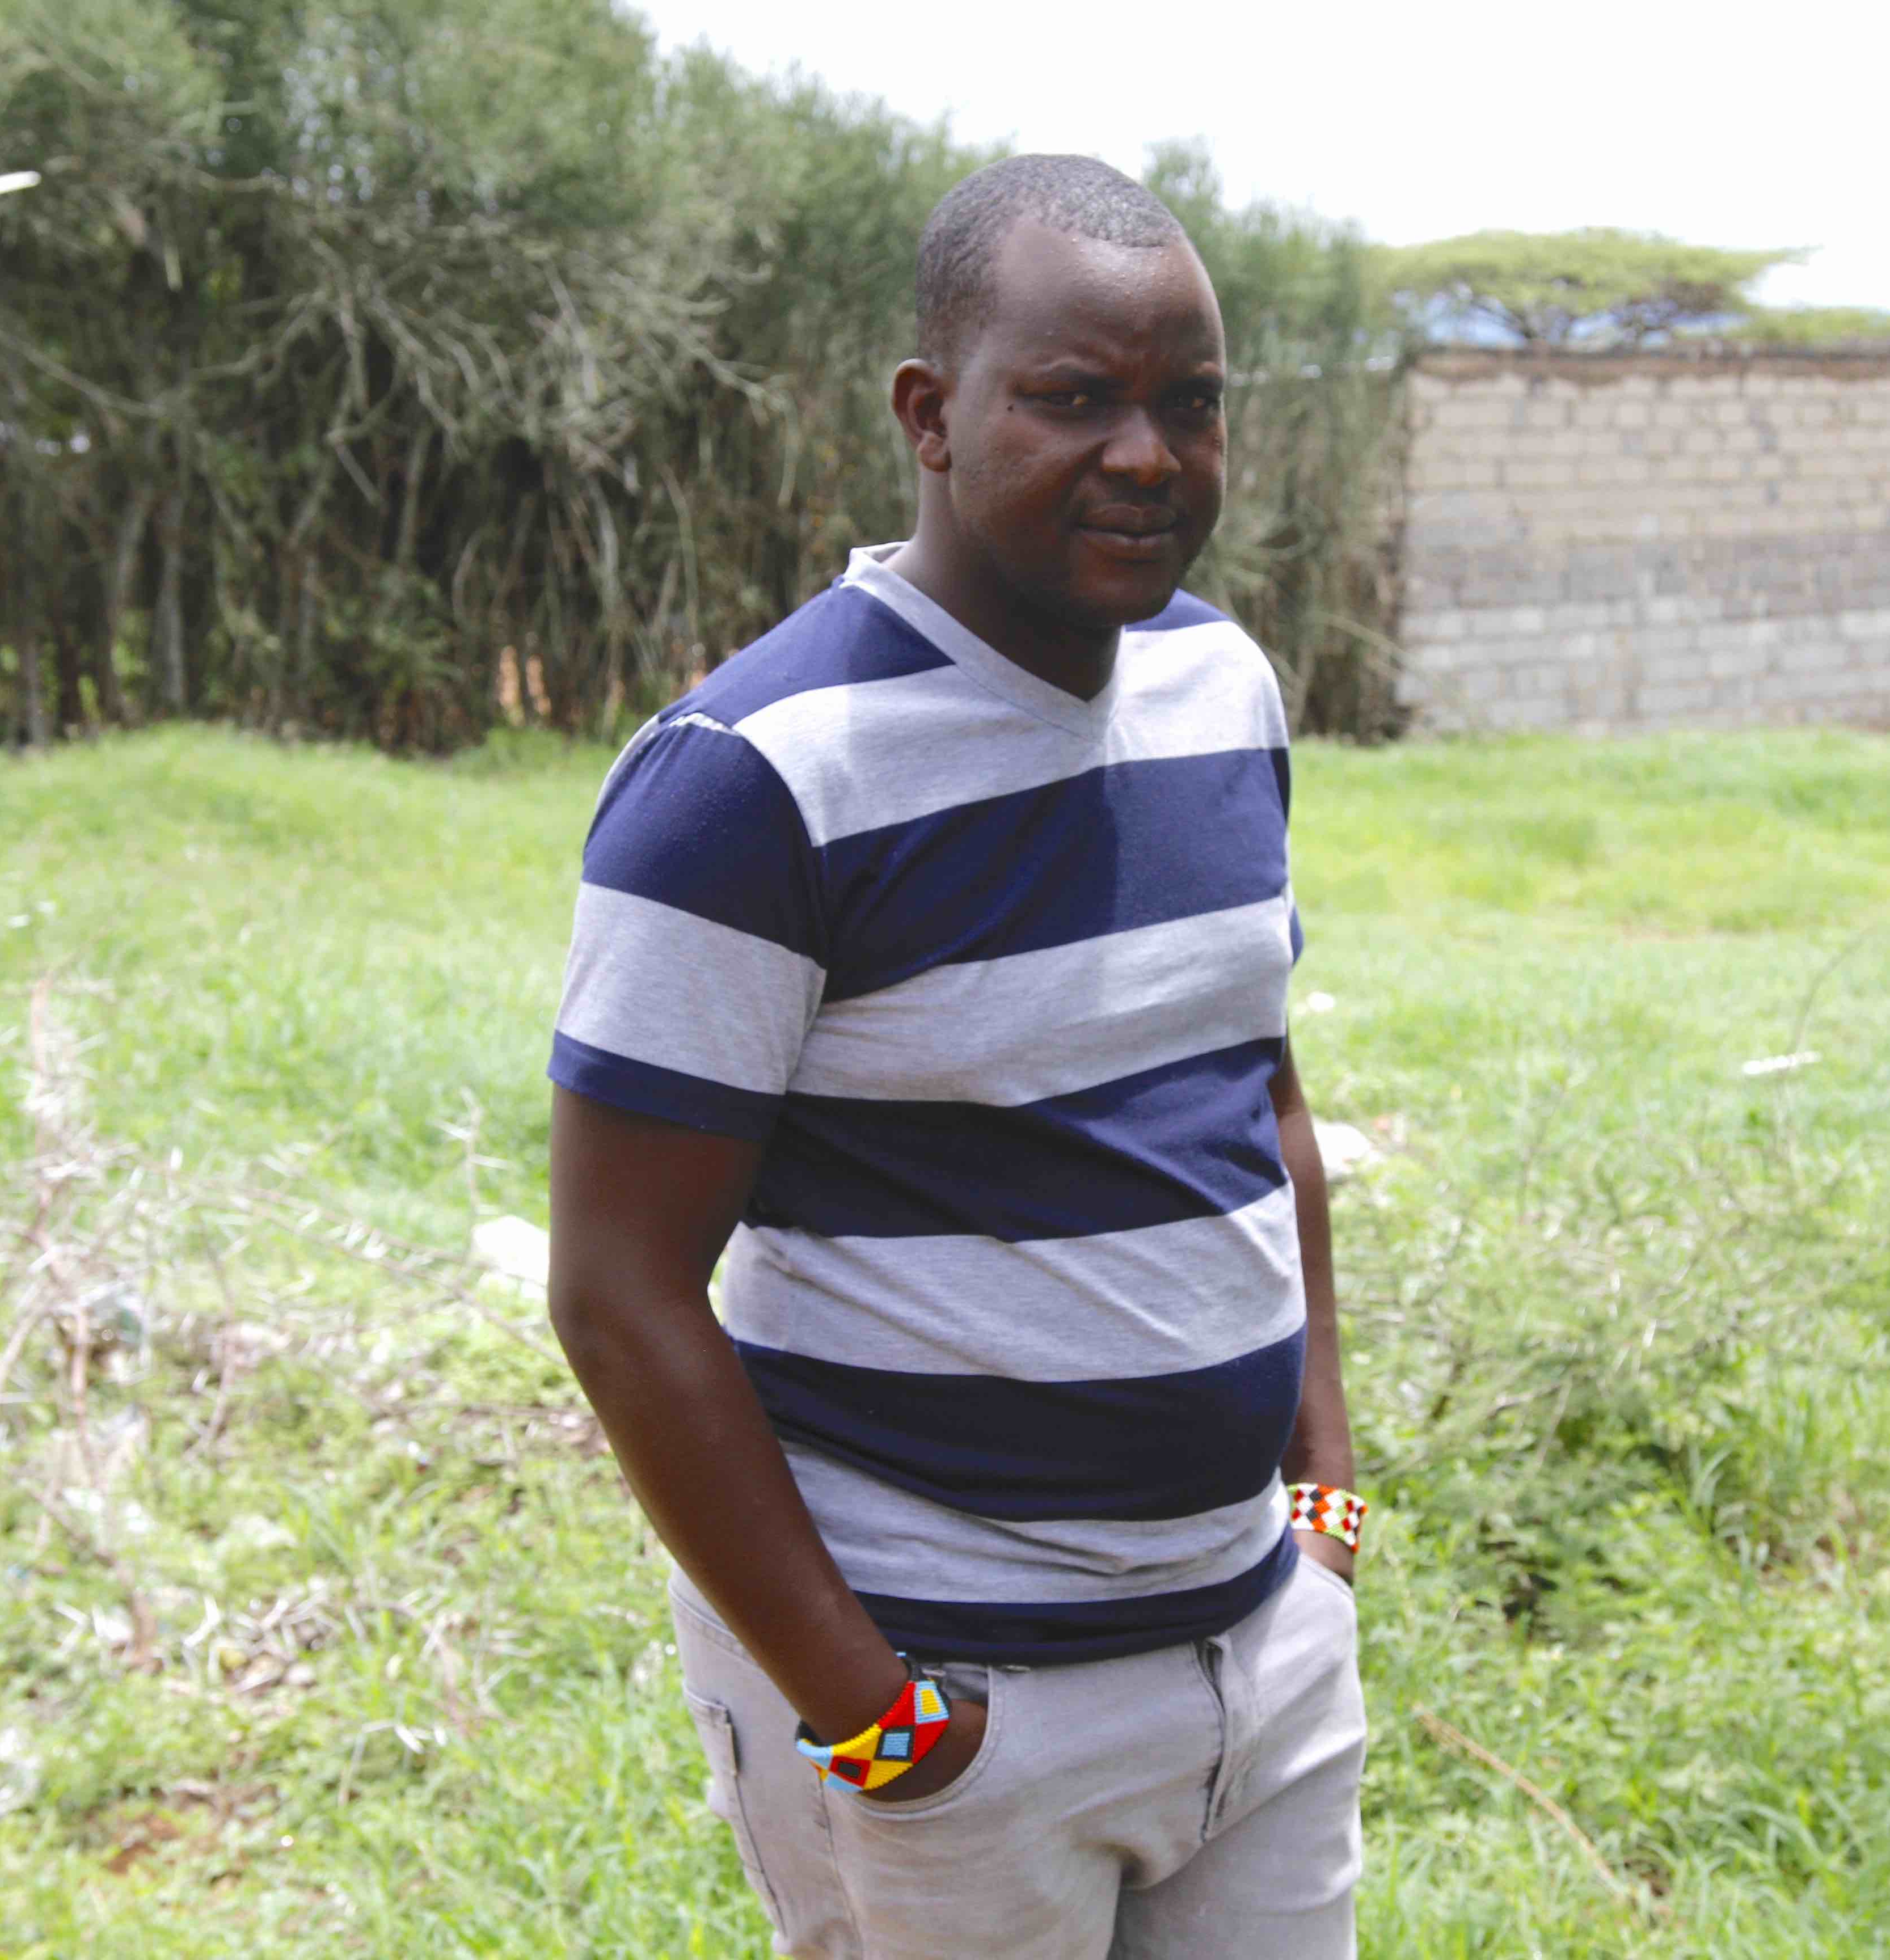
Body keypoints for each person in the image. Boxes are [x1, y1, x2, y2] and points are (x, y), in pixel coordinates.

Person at [543, 154, 1366, 1959]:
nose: (1147, 456)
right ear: (932, 413)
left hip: (1264, 1642)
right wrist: (879, 1720)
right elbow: (620, 1294)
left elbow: (1264, 1100)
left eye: (1192, 405)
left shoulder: (1220, 685)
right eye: (1075, 400)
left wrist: (1322, 1496)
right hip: (953, 1698)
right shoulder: (755, 781)